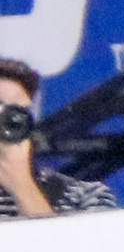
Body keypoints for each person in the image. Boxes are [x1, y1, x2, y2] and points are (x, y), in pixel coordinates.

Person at [0, 54, 115, 217]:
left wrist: (21, 185)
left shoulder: (84, 197)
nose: (5, 122)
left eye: (16, 113)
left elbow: (84, 243)